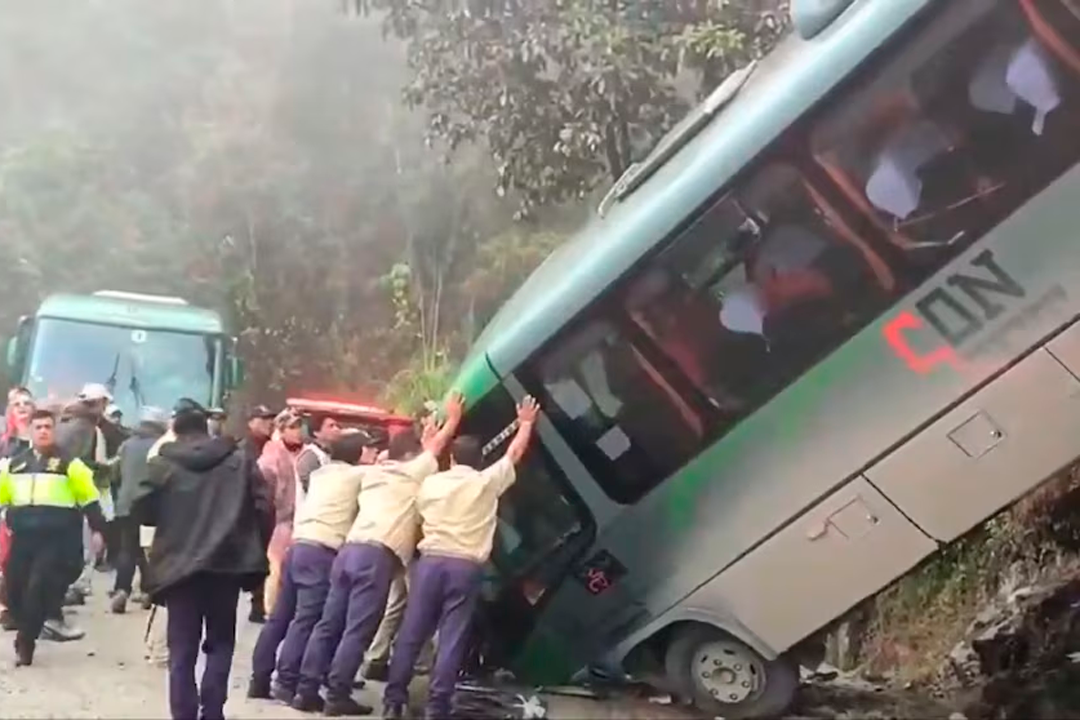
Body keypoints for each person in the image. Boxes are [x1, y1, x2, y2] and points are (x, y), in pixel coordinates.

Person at [297, 396, 463, 716]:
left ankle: (307, 689)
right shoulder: (409, 475)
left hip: (348, 551)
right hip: (375, 558)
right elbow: (435, 448)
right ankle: (337, 694)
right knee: (358, 629)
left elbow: (423, 449)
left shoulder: (372, 473)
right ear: (413, 458)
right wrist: (451, 421)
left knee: (328, 624)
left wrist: (425, 434)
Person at [382, 395, 539, 720]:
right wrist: (525, 423)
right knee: (452, 636)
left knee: (412, 631)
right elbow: (514, 454)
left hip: (430, 564)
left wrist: (443, 425)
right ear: (478, 461)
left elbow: (428, 458)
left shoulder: (431, 483)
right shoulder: (485, 482)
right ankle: (438, 707)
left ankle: (393, 700)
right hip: (465, 568)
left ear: (452, 460)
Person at [132, 399, 271, 720]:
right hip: (228, 565)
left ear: (175, 430)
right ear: (207, 426)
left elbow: (139, 508)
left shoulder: (163, 465)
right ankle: (212, 712)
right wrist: (253, 550)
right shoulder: (239, 461)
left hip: (179, 570)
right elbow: (264, 509)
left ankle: (183, 714)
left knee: (181, 651)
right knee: (221, 642)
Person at [249, 430, 370, 705]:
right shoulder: (358, 477)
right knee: (307, 619)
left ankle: (260, 679)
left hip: (299, 546)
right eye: (369, 450)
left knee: (280, 616)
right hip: (322, 552)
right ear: (359, 455)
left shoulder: (321, 474)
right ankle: (288, 681)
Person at [0, 409, 107, 666]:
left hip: (56, 539)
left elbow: (90, 498)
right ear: (29, 432)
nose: (44, 431)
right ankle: (23, 624)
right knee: (14, 588)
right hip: (23, 537)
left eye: (48, 427)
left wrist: (98, 530)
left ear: (54, 430)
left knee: (38, 587)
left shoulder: (70, 464)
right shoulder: (14, 464)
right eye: (38, 427)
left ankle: (27, 641)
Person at [110, 406, 169, 614]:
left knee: (128, 548)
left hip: (127, 505)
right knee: (152, 549)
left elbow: (115, 475)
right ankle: (149, 590)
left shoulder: (126, 445)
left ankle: (121, 589)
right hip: (153, 505)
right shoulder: (163, 445)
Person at [258, 409, 306, 617]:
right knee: (275, 567)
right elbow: (265, 478)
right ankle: (271, 610)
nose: (297, 432)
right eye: (292, 427)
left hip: (301, 518)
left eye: (299, 426)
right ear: (282, 430)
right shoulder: (272, 452)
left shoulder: (307, 452)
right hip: (280, 519)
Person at [241, 404, 277, 624]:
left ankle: (259, 602)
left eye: (269, 419)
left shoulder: (272, 446)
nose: (268, 423)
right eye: (263, 419)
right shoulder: (246, 448)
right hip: (253, 509)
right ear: (251, 422)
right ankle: (256, 601)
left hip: (269, 510)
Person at [295, 414, 342, 497]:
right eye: (331, 426)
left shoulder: (329, 453)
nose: (336, 429)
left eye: (337, 426)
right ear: (316, 433)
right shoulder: (310, 455)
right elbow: (309, 485)